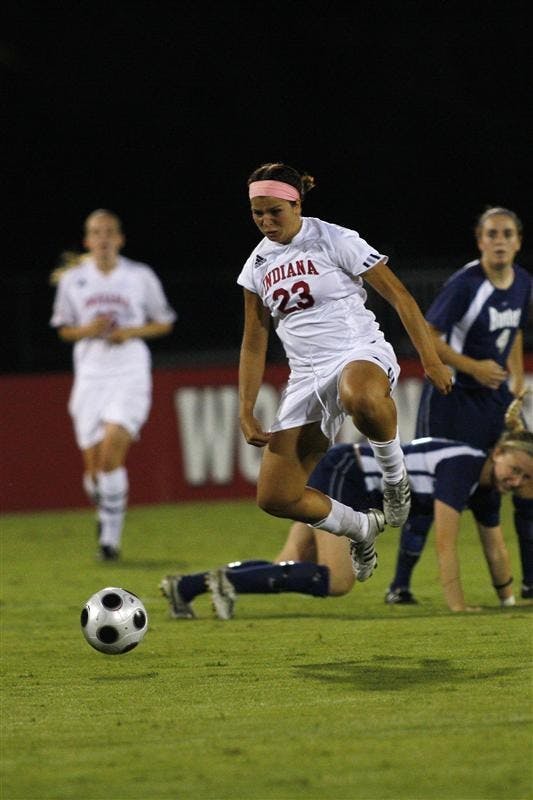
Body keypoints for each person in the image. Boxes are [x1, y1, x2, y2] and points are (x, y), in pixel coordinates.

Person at [236, 162, 453, 579]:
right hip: (306, 377)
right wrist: (245, 407)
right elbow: (254, 338)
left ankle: (394, 480)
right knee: (275, 497)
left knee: (360, 396)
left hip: (358, 351)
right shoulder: (257, 265)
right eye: (256, 213)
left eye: (273, 212)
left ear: (296, 203)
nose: (265, 221)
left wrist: (430, 359)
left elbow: (402, 298)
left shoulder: (334, 238)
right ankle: (360, 527)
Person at [159, 429, 533, 619]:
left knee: (285, 564)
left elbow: (495, 547)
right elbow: (445, 542)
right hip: (347, 475)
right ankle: (221, 582)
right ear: (496, 453)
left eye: (525, 478)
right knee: (338, 580)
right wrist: (458, 607)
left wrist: (508, 601)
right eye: (514, 469)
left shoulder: (485, 487)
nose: (515, 481)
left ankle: (187, 587)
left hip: (344, 471)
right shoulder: (464, 466)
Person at [391, 207, 533, 603]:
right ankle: (400, 586)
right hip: (451, 399)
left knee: (523, 476)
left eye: (507, 233)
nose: (500, 240)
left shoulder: (523, 281)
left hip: (494, 400)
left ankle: (528, 582)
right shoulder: (465, 285)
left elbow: (515, 331)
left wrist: (516, 378)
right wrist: (472, 366)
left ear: (518, 241)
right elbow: (428, 335)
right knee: (426, 487)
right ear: (480, 240)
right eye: (492, 234)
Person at [50, 209, 176, 560]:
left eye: (109, 232)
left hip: (129, 372)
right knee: (93, 474)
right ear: (87, 240)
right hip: (90, 377)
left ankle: (110, 541)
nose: (103, 238)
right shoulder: (73, 280)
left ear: (119, 238)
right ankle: (104, 506)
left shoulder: (139, 276)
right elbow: (63, 329)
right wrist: (87, 331)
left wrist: (130, 332)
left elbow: (163, 321)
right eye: (96, 232)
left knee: (110, 454)